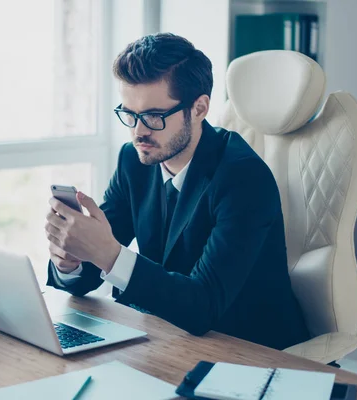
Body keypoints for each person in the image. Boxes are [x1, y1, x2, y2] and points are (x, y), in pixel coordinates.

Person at [44, 33, 310, 350]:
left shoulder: (244, 178)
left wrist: (109, 254)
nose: (138, 132)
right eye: (129, 114)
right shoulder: (135, 160)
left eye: (154, 117)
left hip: (247, 349)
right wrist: (70, 261)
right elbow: (86, 277)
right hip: (166, 337)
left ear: (199, 108)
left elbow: (204, 306)